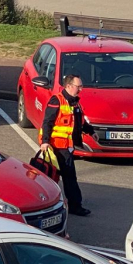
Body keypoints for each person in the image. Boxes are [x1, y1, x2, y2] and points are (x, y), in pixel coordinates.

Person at [39, 74, 93, 216]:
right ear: (68, 86)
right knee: (68, 176)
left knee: (60, 176)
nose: (81, 89)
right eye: (78, 86)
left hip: (67, 146)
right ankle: (75, 205)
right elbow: (47, 122)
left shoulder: (74, 102)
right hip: (57, 146)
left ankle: (54, 202)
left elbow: (79, 122)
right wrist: (45, 142)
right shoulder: (57, 100)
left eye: (81, 86)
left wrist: (91, 131)